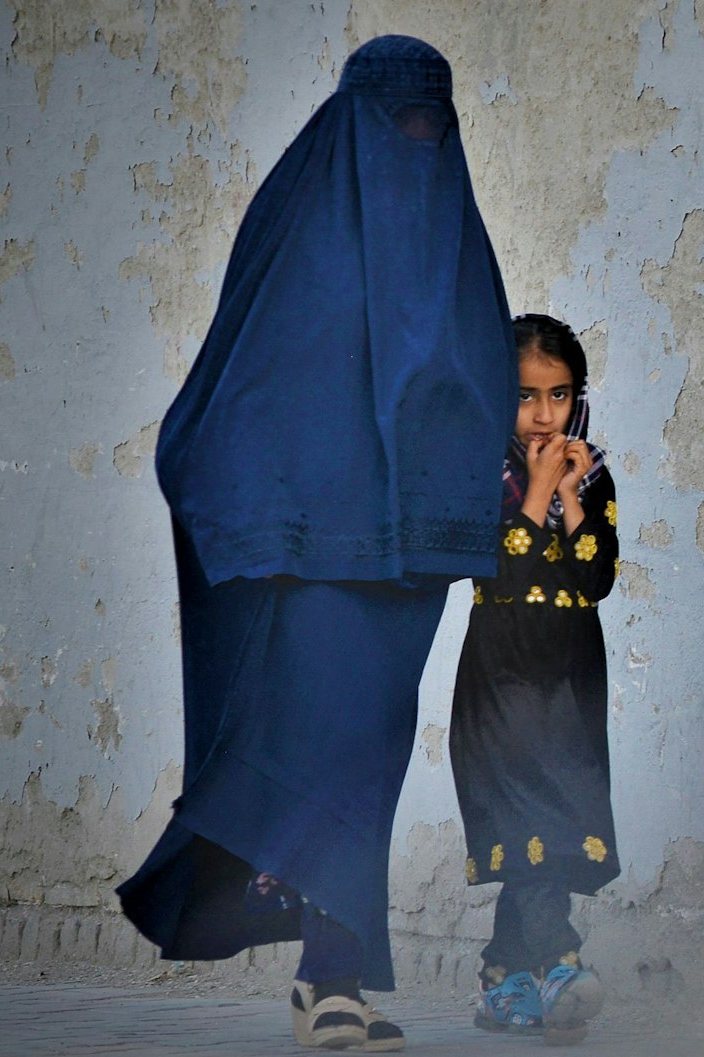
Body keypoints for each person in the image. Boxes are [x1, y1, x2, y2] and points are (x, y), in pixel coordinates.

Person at [115, 36, 516, 1052]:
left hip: (409, 558)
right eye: (397, 124)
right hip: (311, 553)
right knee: (328, 751)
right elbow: (236, 380)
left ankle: (329, 981)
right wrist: (250, 503)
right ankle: (332, 981)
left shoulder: (457, 247)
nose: (415, 144)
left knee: (369, 758)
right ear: (352, 122)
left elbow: (479, 387)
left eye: (434, 125)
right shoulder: (295, 222)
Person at [450, 313, 620, 1045]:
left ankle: (504, 978)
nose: (544, 412)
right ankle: (560, 965)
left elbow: (596, 576)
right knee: (530, 823)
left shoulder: (596, 471)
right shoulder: (479, 471)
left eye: (558, 394)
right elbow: (504, 565)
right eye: (525, 395)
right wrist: (536, 490)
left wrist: (572, 492)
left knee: (552, 824)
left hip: (569, 679)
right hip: (502, 675)